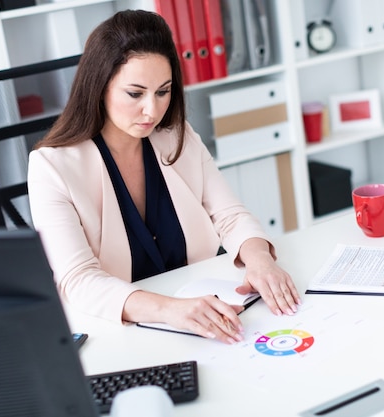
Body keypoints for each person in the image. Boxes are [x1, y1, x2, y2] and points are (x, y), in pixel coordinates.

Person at [27, 9, 300, 345]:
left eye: (163, 91)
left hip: (200, 318)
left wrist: (259, 260)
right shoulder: (51, 167)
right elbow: (79, 280)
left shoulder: (175, 135)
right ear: (100, 87)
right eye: (135, 93)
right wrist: (173, 310)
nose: (152, 111)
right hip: (121, 332)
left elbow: (229, 215)